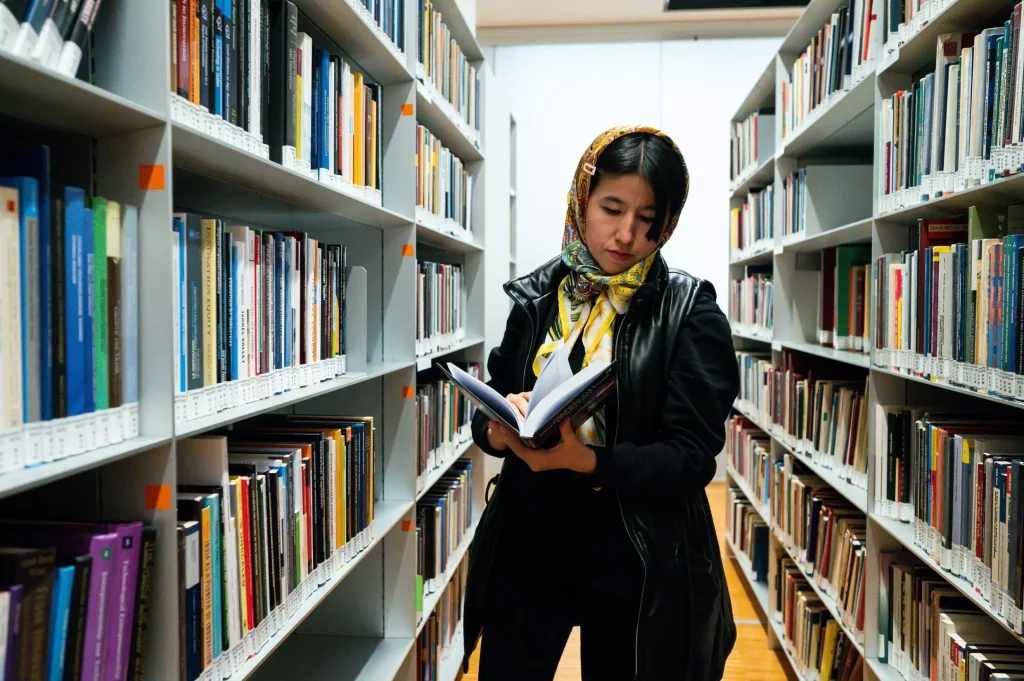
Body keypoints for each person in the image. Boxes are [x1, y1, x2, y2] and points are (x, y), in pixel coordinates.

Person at [461, 125, 740, 681]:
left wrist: (587, 461)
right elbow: (486, 412)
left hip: (634, 550)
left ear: (667, 221)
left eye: (646, 218)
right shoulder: (535, 299)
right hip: (529, 535)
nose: (626, 235)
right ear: (581, 201)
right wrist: (499, 432)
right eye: (611, 208)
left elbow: (690, 458)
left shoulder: (689, 312)